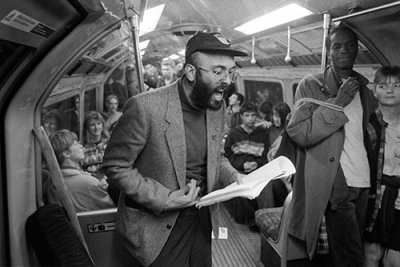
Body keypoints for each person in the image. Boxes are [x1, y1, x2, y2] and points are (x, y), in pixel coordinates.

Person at [102, 32, 247, 267]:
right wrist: (164, 198)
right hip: (158, 225)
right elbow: (115, 165)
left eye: (230, 72)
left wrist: (236, 177)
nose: (227, 80)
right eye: (218, 71)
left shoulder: (216, 107)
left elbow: (216, 156)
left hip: (201, 215)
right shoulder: (145, 108)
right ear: (191, 72)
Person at [285, 25, 384, 266]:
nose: (344, 51)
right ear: (328, 51)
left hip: (365, 181)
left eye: (350, 46)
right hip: (337, 182)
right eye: (337, 46)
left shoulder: (365, 86)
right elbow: (299, 132)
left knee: (350, 249)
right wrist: (336, 104)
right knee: (350, 257)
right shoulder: (311, 84)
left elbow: (371, 133)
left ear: (357, 50)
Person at [363, 66, 400, 267]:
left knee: (395, 259)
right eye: (383, 85)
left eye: (396, 85)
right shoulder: (367, 124)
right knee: (372, 253)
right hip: (375, 194)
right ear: (375, 90)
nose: (390, 90)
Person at [223, 101, 269, 226]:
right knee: (239, 184)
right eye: (247, 115)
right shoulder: (233, 134)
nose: (250, 119)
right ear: (242, 116)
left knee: (267, 187)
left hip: (258, 169)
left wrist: (257, 164)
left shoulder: (262, 134)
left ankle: (265, 219)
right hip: (239, 169)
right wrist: (242, 165)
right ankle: (248, 221)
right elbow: (227, 157)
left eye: (253, 115)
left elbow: (266, 156)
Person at [47, 129, 115, 212]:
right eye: (76, 144)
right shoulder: (88, 183)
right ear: (66, 153)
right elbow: (112, 208)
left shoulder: (57, 178)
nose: (81, 146)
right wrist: (99, 187)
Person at [81, 111, 109, 177]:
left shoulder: (110, 142)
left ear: (103, 125)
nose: (96, 128)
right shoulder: (82, 146)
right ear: (87, 127)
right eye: (92, 125)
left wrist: (96, 167)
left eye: (99, 124)